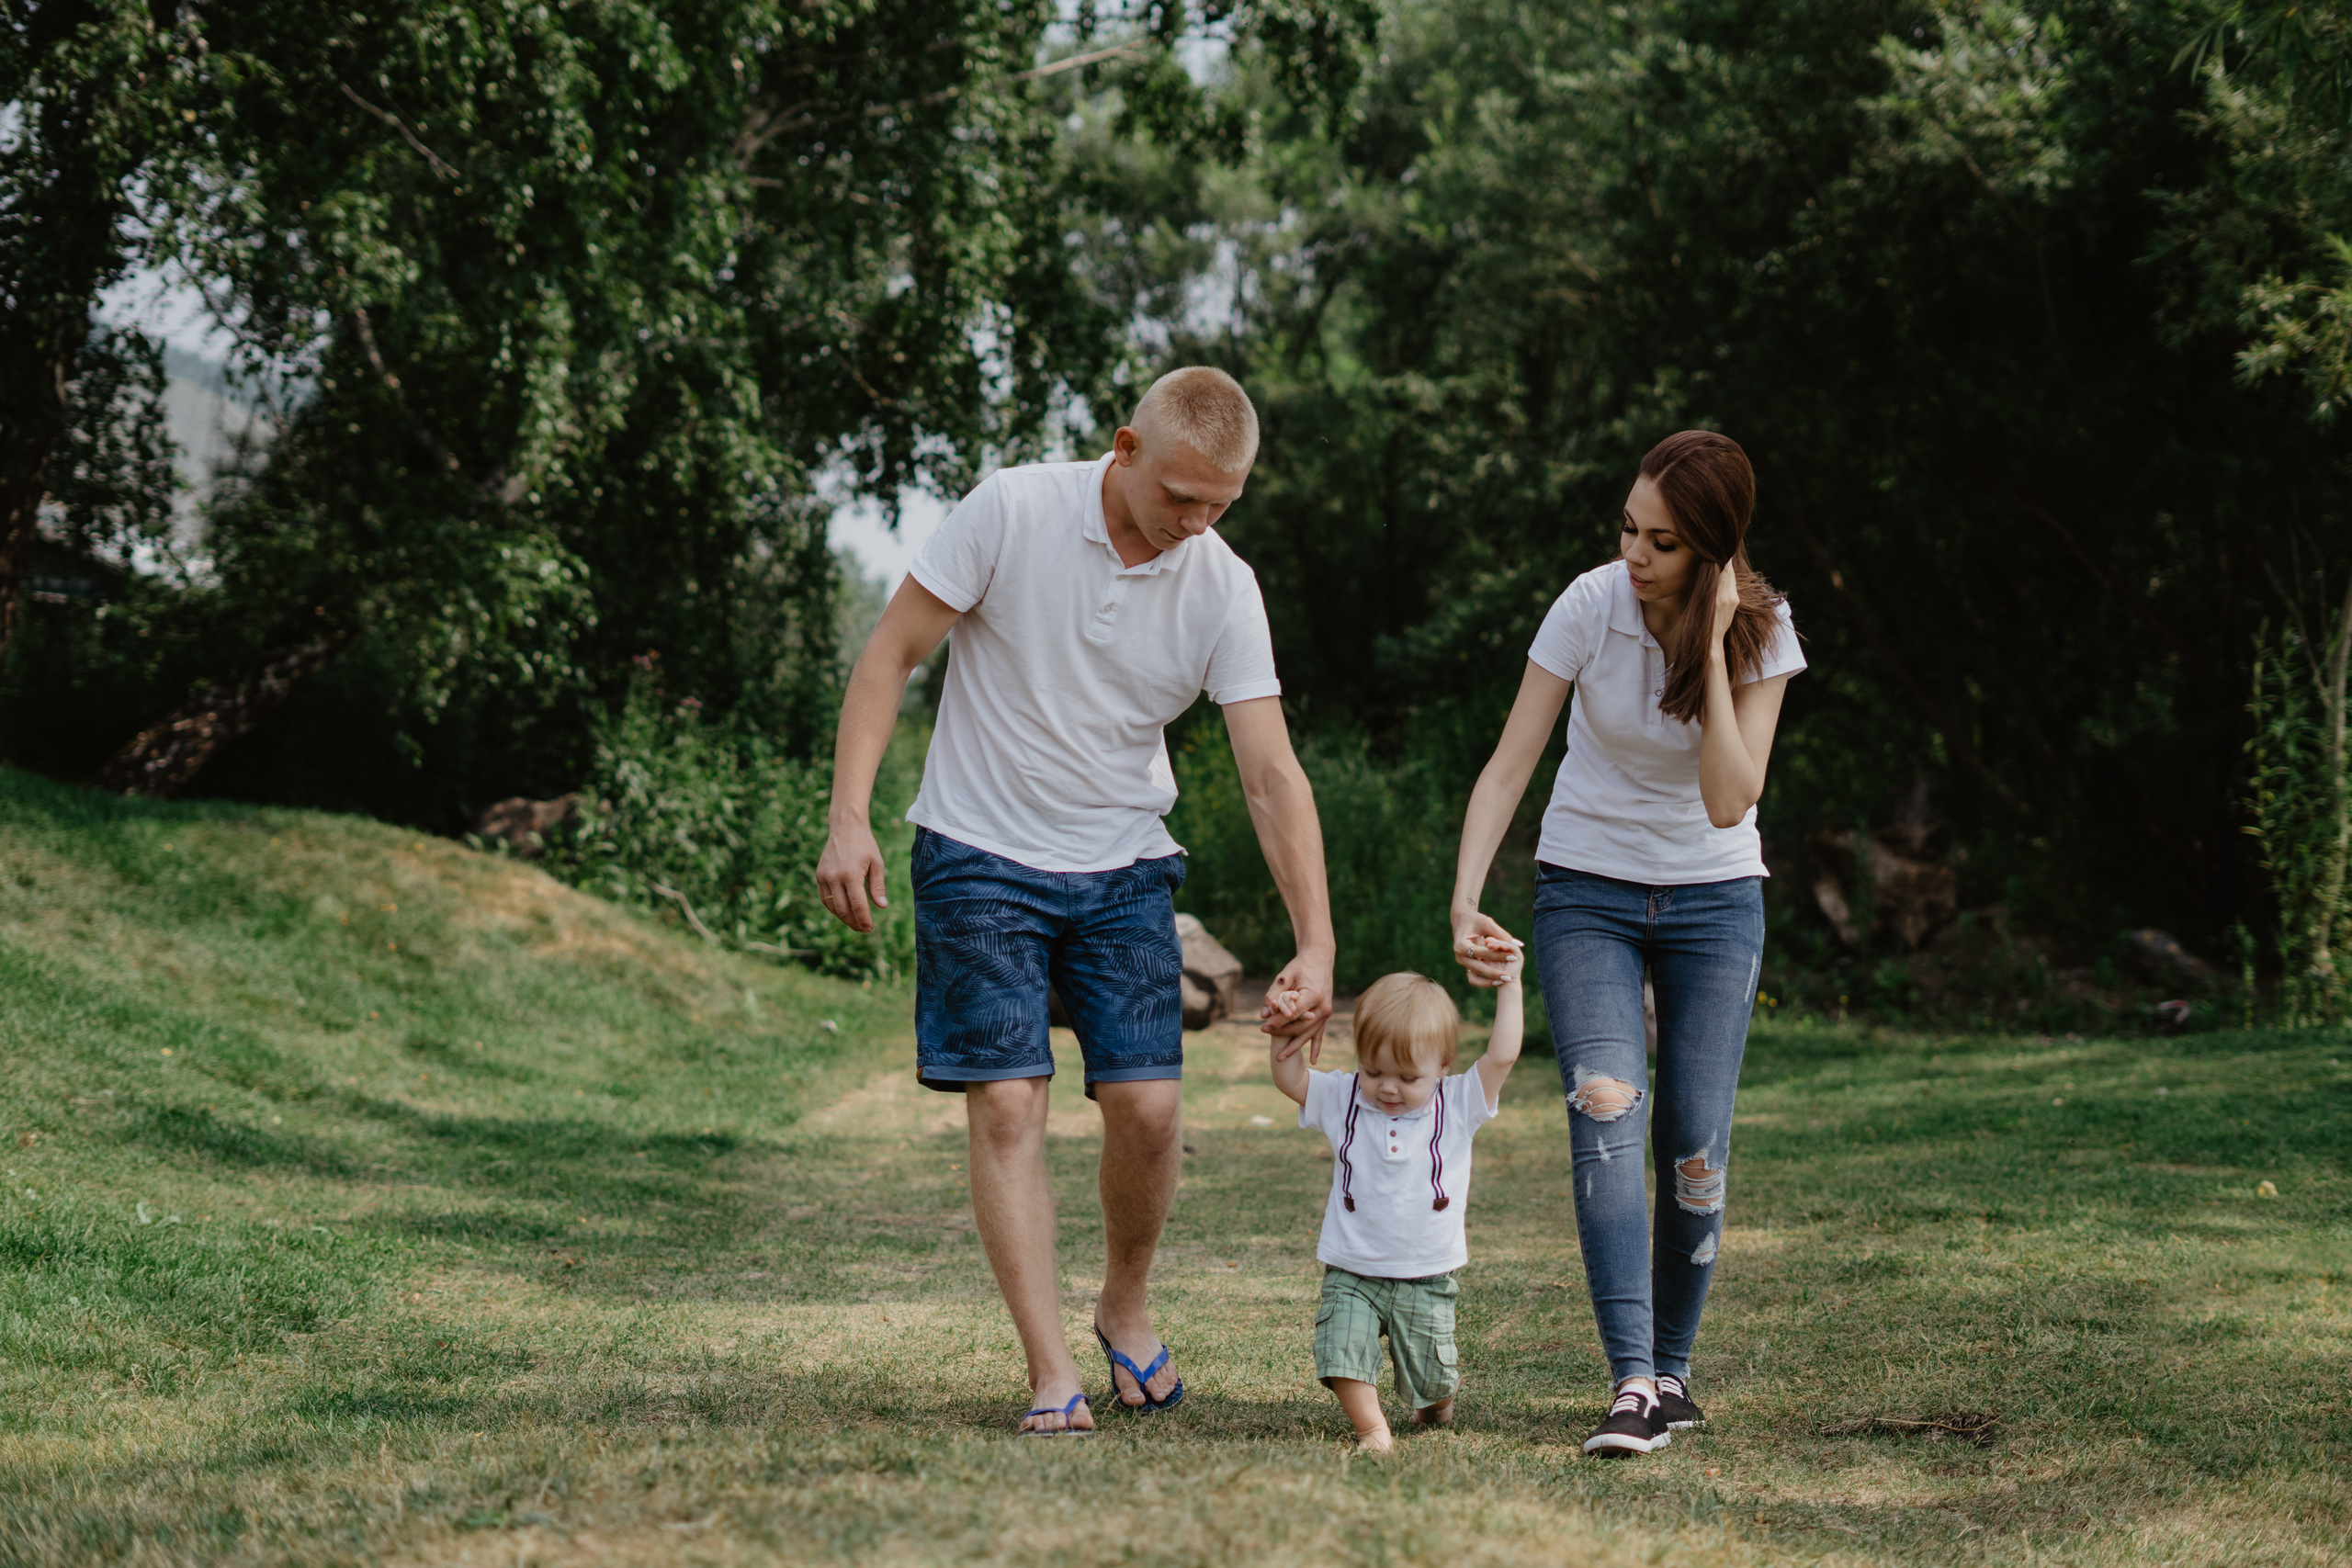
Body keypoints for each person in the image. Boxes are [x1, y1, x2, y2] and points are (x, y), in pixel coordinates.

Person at [815, 367, 1338, 1438]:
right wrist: (848, 817)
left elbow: (1271, 774)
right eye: (1180, 497)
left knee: (1149, 1112)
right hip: (978, 850)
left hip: (1124, 866)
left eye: (1219, 506)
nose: (1194, 523)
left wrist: (1315, 941)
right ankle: (1050, 1369)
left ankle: (1123, 1304)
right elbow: (891, 654)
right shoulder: (1014, 508)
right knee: (1008, 1103)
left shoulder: (1222, 585)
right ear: (1125, 448)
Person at [1449, 430, 1804, 1457]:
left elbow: (1730, 798)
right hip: (1585, 890)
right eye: (1628, 529)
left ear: (1712, 550)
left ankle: (1675, 1370)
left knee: (1694, 1142)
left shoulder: (1764, 630)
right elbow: (1510, 762)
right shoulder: (1588, 605)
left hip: (1715, 899)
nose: (1634, 555)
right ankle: (1633, 1383)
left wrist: (1711, 643)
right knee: (1604, 1108)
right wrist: (1465, 901)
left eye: (1662, 542)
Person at [1270, 954, 1523, 1451]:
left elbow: (1501, 1057)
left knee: (1432, 1382)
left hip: (1425, 1274)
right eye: (1373, 1070)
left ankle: (1436, 1404)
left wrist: (1509, 984)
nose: (1387, 1087)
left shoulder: (1458, 1103)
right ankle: (1373, 1428)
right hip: (1352, 1268)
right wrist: (1285, 1024)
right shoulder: (1345, 1098)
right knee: (1341, 1350)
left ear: (1442, 1067)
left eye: (1408, 1078)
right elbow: (1291, 1078)